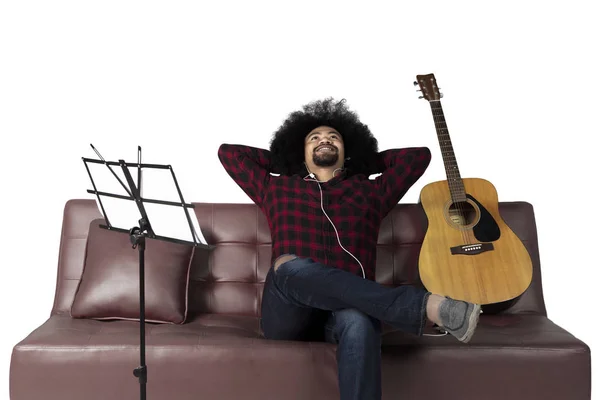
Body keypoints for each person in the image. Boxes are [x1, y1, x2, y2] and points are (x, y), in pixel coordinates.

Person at [218, 98, 481, 400]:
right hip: (288, 312)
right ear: (300, 151)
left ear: (347, 150)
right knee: (287, 265)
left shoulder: (372, 192)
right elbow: (229, 154)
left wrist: (363, 161)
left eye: (334, 137)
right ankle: (425, 307)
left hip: (347, 312)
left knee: (359, 321)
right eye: (313, 139)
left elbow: (417, 157)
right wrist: (286, 158)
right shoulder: (276, 187)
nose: (324, 140)